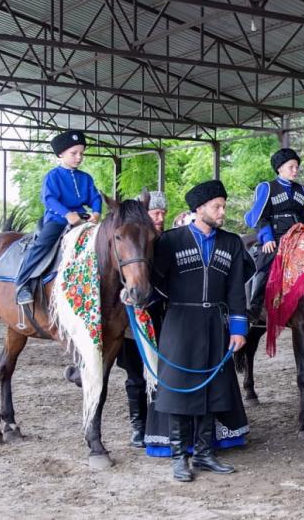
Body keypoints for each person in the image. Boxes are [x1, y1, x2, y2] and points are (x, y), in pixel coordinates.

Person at [151, 180, 250, 482]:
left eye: (223, 205)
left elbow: (236, 290)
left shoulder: (231, 243)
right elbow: (152, 282)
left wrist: (238, 328)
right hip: (180, 323)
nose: (222, 211)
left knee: (212, 389)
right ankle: (181, 456)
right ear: (199, 209)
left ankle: (205, 453)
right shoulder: (170, 241)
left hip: (215, 325)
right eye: (217, 206)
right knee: (180, 389)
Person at [15, 130, 101, 304]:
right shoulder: (53, 176)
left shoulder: (86, 178)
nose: (79, 157)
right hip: (57, 220)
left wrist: (97, 212)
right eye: (74, 153)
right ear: (61, 154)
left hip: (82, 221)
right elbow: (49, 199)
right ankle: (22, 284)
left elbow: (95, 197)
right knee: (42, 245)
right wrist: (67, 214)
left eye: (81, 154)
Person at [114, 190, 168, 448]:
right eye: (155, 213)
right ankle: (138, 426)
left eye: (163, 213)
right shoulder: (126, 245)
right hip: (132, 322)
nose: (160, 217)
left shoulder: (166, 240)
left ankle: (158, 425)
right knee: (135, 375)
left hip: (162, 319)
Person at [243, 147, 304, 314]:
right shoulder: (266, 187)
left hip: (299, 237)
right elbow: (260, 216)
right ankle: (255, 307)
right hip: (275, 237)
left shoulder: (302, 190)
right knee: (266, 263)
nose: (295, 170)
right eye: (291, 166)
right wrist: (267, 238)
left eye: (297, 167)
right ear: (280, 168)